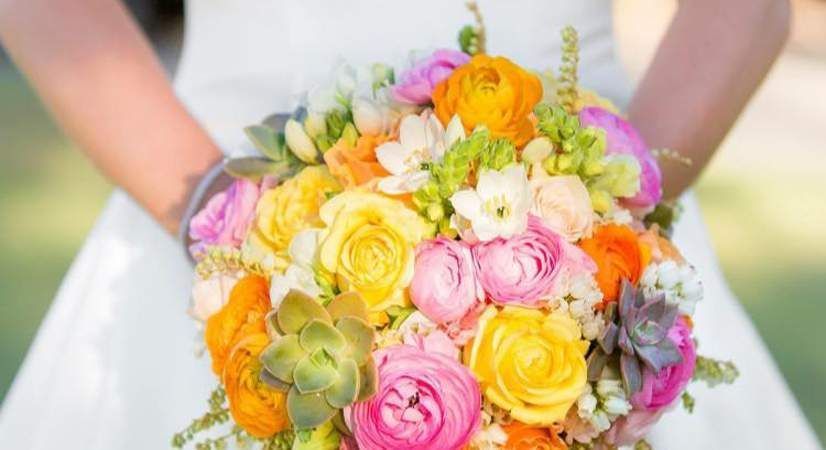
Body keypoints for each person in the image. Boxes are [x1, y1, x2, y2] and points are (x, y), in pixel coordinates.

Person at [0, 0, 819, 449]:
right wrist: (229, 220)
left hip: (588, 234)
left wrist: (593, 233)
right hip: (209, 210)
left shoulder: (589, 243)